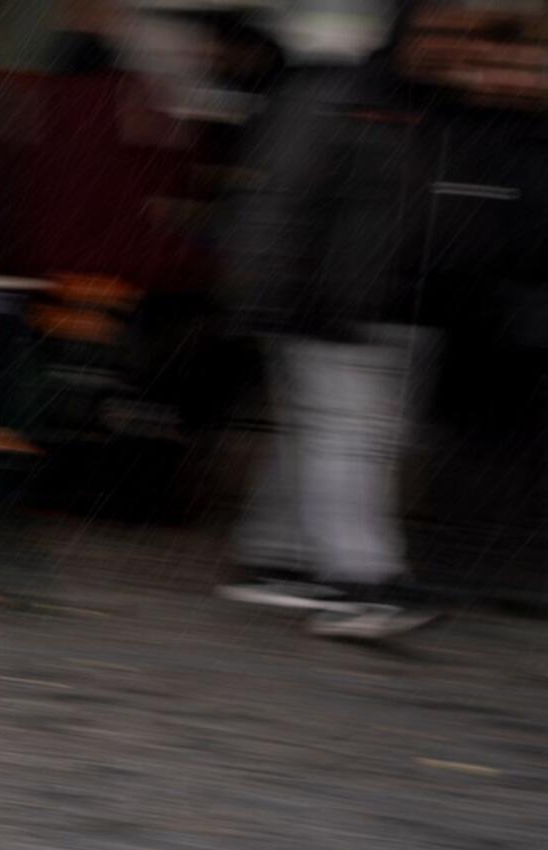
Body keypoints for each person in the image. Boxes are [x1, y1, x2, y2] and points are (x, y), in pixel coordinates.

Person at [215, 0, 456, 639]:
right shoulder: (336, 94)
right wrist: (283, 295)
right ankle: (362, 578)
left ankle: (275, 557)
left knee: (317, 433)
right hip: (324, 300)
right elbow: (282, 199)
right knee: (347, 437)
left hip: (346, 298)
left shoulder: (373, 96)